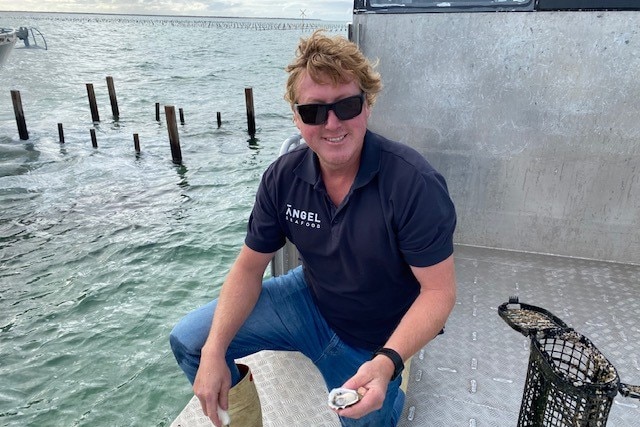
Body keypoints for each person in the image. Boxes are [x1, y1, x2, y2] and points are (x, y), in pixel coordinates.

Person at [170, 30, 457, 427]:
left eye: (347, 105)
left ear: (368, 105)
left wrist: (388, 362)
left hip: (374, 339)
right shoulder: (282, 177)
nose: (332, 123)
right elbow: (249, 268)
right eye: (314, 112)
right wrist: (215, 351)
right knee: (192, 343)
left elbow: (439, 291)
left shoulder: (413, 183)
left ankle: (392, 393)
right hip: (308, 300)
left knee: (364, 416)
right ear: (296, 117)